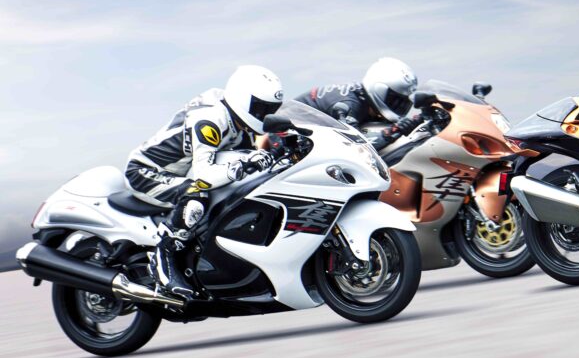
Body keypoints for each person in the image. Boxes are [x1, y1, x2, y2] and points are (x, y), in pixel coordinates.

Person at [125, 65, 285, 298]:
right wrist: (243, 165)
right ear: (242, 97)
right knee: (196, 195)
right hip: (145, 171)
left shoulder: (238, 118)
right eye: (261, 108)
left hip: (182, 172)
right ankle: (163, 258)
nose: (264, 115)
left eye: (270, 109)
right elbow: (204, 175)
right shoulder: (211, 119)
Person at [294, 57, 423, 150]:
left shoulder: (363, 98)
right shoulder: (349, 105)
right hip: (291, 140)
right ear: (379, 89)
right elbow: (354, 146)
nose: (399, 106)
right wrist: (392, 132)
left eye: (403, 103)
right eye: (395, 100)